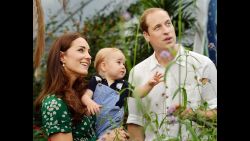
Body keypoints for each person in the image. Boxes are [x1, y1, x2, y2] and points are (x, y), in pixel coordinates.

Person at [126, 8, 217, 141]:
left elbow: (215, 113)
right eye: (158, 27)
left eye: (168, 23)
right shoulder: (137, 72)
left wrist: (193, 114)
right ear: (146, 36)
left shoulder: (202, 64)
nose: (166, 30)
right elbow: (135, 122)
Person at [34, 32, 129, 141]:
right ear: (62, 57)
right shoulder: (54, 103)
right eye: (81, 50)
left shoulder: (83, 93)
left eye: (88, 52)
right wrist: (105, 139)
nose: (89, 56)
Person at [81, 47, 163, 138]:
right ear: (104, 66)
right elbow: (85, 96)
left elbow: (138, 93)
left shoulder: (123, 85)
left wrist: (149, 85)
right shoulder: (96, 81)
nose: (123, 66)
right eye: (119, 62)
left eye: (123, 64)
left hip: (113, 130)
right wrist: (90, 103)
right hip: (93, 127)